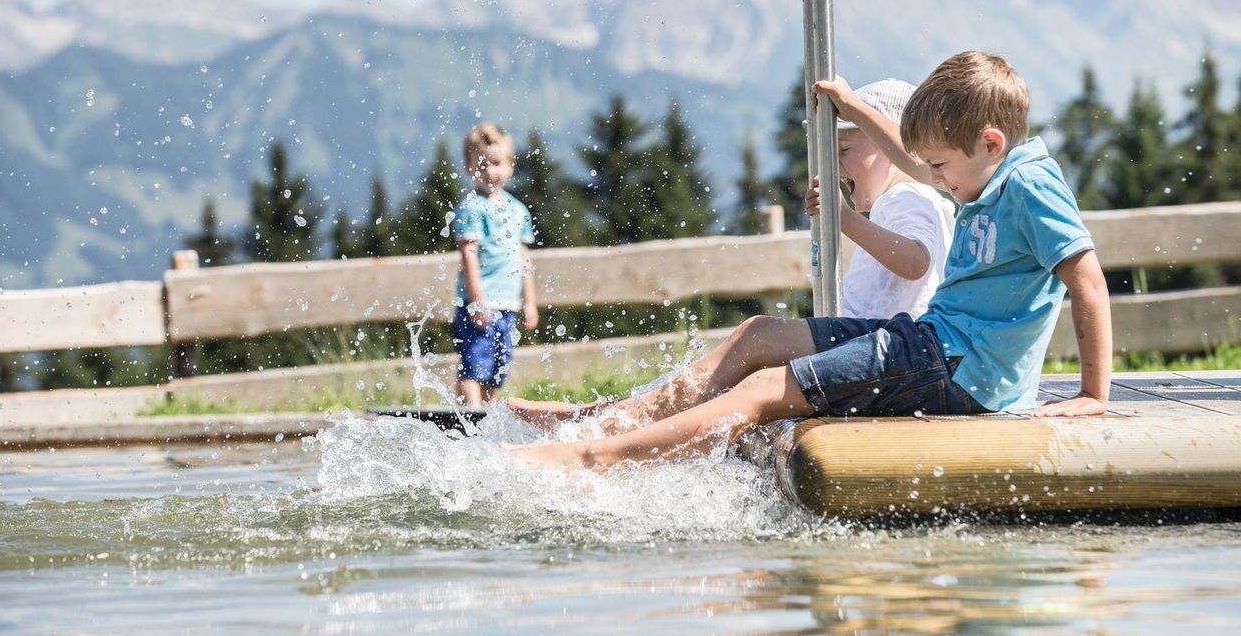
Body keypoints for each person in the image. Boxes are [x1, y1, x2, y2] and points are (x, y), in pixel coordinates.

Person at [512, 51, 1112, 470]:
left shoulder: (1029, 185)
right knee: (761, 335)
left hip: (958, 372)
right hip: (931, 346)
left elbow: (1086, 281)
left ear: (989, 144)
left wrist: (1094, 393)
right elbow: (911, 157)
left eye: (940, 169)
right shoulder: (983, 178)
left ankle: (593, 459)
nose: (930, 179)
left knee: (764, 389)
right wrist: (852, 105)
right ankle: (611, 423)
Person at [507, 78, 955, 432]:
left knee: (750, 345)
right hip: (874, 347)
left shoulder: (908, 198)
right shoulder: (901, 202)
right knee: (737, 359)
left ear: (889, 149)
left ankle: (610, 423)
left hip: (884, 353)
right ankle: (611, 416)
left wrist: (845, 219)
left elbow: (916, 261)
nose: (834, 166)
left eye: (843, 150)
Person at [451, 123, 539, 407]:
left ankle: (481, 420)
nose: (490, 171)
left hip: (508, 304)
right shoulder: (471, 208)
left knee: (496, 371)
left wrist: (530, 301)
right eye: (482, 164)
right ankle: (469, 419)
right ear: (468, 167)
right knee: (473, 365)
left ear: (511, 165)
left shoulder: (518, 210)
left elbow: (524, 258)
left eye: (497, 163)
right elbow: (468, 254)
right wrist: (478, 301)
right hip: (480, 302)